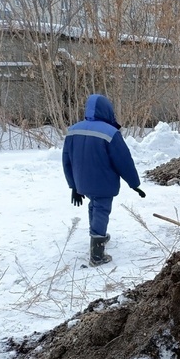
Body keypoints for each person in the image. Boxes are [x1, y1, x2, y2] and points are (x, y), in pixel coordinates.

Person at [62, 94, 145, 266]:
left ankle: (97, 237)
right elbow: (124, 161)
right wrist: (134, 184)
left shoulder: (74, 130)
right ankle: (97, 254)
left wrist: (73, 186)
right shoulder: (110, 133)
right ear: (107, 110)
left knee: (94, 205)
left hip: (82, 182)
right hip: (103, 182)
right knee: (101, 209)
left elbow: (67, 160)